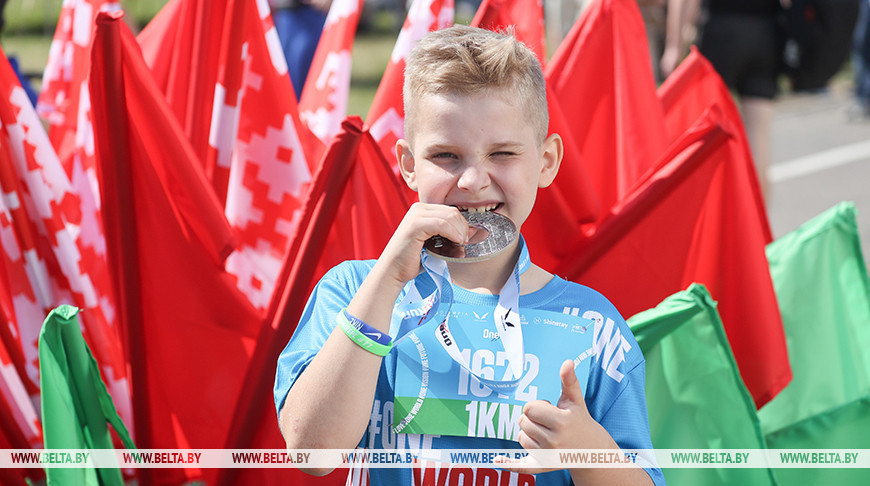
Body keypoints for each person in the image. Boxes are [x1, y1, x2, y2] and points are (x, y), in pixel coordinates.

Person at [274, 25, 664, 485]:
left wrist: (588, 450)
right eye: (446, 156)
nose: (473, 180)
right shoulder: (354, 292)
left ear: (546, 161)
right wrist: (386, 280)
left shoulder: (593, 325)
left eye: (502, 153)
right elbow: (312, 451)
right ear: (408, 164)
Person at [662, 0, 785, 201]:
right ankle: (756, 226)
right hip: (766, 33)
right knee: (757, 137)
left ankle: (706, 218)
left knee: (704, 132)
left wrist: (674, 45)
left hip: (720, 33)